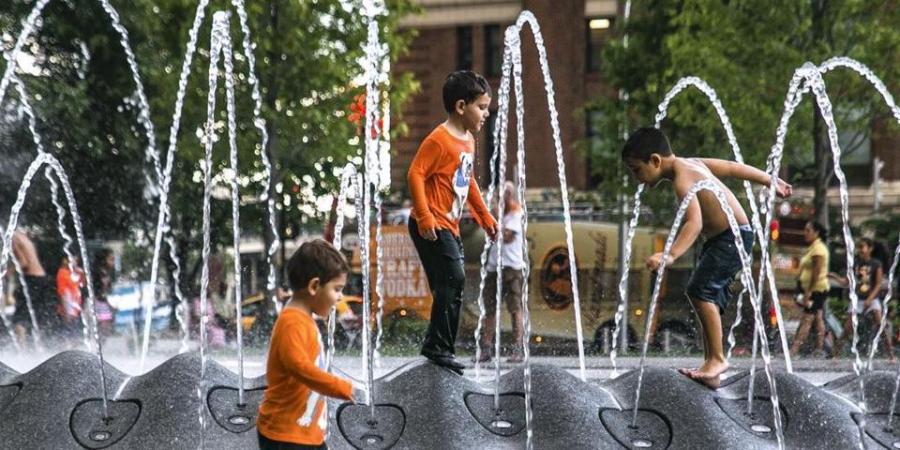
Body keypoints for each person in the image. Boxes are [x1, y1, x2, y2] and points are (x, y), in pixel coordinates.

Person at [621, 127, 791, 388]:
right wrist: (769, 179)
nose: (636, 178)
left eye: (636, 170)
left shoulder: (682, 179)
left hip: (731, 238)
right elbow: (733, 168)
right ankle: (713, 370)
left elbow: (694, 222)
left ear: (655, 160)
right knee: (706, 296)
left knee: (700, 292)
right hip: (728, 237)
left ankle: (716, 359)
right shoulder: (692, 163)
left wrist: (669, 255)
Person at [407, 70, 498, 374]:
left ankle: (440, 348)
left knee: (450, 286)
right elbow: (415, 174)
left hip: (449, 225)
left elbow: (467, 180)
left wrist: (484, 216)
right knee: (454, 279)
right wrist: (424, 216)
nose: (486, 113)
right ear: (461, 106)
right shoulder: (439, 139)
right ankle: (437, 346)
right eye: (482, 107)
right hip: (431, 224)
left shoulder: (468, 141)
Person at [257, 239, 356, 450]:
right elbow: (299, 366)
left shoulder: (303, 319)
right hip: (285, 434)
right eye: (337, 289)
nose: (340, 298)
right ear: (314, 286)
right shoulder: (292, 322)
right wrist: (339, 386)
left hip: (303, 431)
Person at [477, 181, 526, 364]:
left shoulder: (515, 213)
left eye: (505, 194)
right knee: (489, 309)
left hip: (512, 267)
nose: (500, 198)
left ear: (511, 196)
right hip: (493, 266)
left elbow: (506, 237)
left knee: (515, 309)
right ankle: (486, 349)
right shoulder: (499, 215)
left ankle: (517, 349)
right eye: (499, 194)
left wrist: (495, 217)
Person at [830, 237, 895, 360]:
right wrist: (835, 277)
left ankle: (890, 354)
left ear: (870, 249)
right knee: (847, 328)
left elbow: (878, 284)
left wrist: (870, 298)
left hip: (872, 299)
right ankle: (836, 354)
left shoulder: (876, 264)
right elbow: (847, 281)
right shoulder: (856, 263)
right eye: (859, 247)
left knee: (880, 324)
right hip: (857, 300)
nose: (860, 250)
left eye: (862, 247)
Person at [788, 221, 831, 357]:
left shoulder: (818, 249)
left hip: (816, 290)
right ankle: (819, 349)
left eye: (808, 230)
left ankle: (794, 350)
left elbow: (816, 273)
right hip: (814, 289)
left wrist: (808, 292)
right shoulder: (814, 247)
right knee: (818, 318)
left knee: (807, 319)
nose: (805, 233)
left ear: (816, 233)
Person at [10, 229, 58, 346]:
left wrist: (8, 271)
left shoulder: (14, 239)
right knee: (39, 316)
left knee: (19, 318)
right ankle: (40, 348)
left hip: (31, 280)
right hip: (42, 278)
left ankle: (22, 351)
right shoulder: (25, 238)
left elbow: (24, 263)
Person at [56, 254, 85, 344]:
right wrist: (66, 311)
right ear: (65, 260)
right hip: (67, 310)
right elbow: (62, 293)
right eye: (72, 260)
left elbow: (82, 285)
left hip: (75, 309)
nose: (74, 263)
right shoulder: (62, 273)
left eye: (76, 261)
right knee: (68, 336)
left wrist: (82, 274)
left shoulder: (72, 273)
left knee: (75, 337)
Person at [92, 248, 116, 338]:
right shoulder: (97, 272)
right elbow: (96, 290)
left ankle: (100, 346)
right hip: (97, 302)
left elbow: (105, 291)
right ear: (103, 260)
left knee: (106, 326)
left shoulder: (105, 273)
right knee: (104, 326)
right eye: (111, 259)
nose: (113, 262)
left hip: (101, 301)